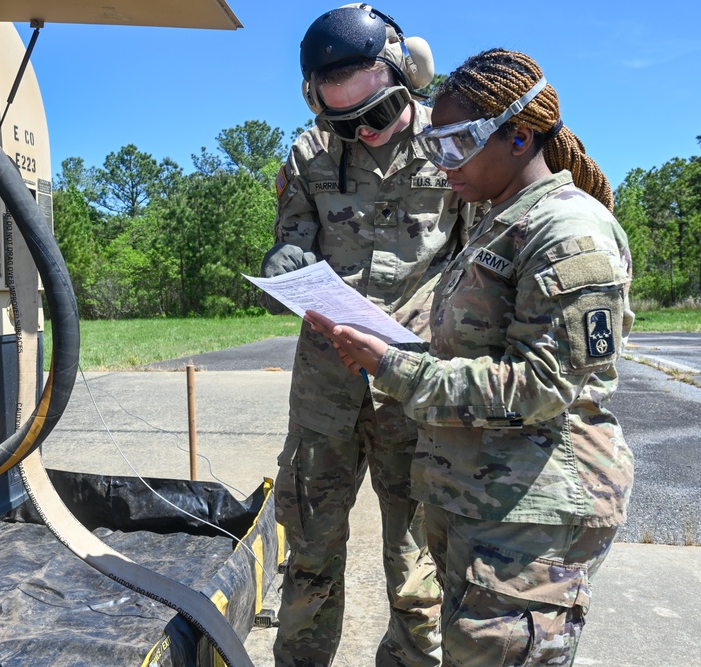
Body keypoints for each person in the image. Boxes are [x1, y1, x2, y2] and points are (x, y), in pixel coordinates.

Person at [304, 47, 634, 666]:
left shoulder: (567, 233)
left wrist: (391, 366)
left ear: (518, 137)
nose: (441, 161)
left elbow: (541, 387)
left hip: (530, 514)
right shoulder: (499, 223)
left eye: (457, 144)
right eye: (437, 143)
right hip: (482, 499)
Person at [259, 5, 477, 666]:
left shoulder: (456, 143)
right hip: (324, 394)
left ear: (408, 77)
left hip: (413, 391)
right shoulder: (310, 151)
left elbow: (483, 263)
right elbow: (292, 242)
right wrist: (283, 263)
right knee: (308, 567)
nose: (365, 133)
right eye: (343, 121)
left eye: (376, 115)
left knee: (418, 577)